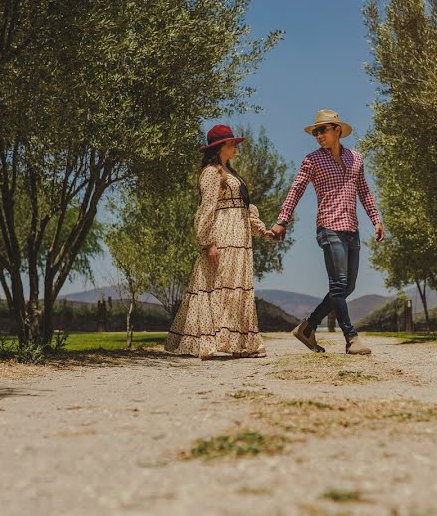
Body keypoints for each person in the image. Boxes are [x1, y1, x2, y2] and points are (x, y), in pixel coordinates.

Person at [270, 109, 385, 355]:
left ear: (337, 130)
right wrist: (283, 219)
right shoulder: (312, 160)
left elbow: (364, 190)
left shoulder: (356, 158)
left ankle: (308, 327)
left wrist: (376, 219)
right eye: (315, 132)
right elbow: (296, 190)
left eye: (323, 130)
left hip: (352, 229)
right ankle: (351, 339)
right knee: (339, 283)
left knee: (347, 287)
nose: (318, 135)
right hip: (329, 227)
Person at [165, 124, 273, 359]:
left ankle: (239, 344)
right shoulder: (212, 173)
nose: (235, 147)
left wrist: (260, 229)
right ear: (220, 146)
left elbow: (243, 208)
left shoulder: (232, 174)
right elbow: (207, 209)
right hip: (223, 238)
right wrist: (208, 242)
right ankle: (213, 344)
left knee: (236, 289)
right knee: (219, 288)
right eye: (231, 143)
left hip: (240, 239)